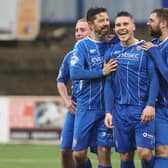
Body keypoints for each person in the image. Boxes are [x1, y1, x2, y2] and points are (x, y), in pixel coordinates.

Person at [104, 11, 159, 168]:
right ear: (115, 29)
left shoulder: (145, 49)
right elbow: (108, 84)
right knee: (125, 155)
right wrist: (108, 111)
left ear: (133, 26)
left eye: (125, 24)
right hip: (120, 111)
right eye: (118, 25)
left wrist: (150, 105)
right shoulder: (111, 52)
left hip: (142, 110)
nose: (122, 28)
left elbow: (154, 79)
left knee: (145, 152)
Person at [70, 7, 118, 168]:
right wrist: (102, 72)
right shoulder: (82, 46)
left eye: (107, 19)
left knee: (103, 153)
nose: (106, 23)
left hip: (107, 109)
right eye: (101, 20)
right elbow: (75, 72)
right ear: (91, 24)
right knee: (78, 154)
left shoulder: (114, 43)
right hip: (86, 107)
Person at [57, 18, 92, 168]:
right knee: (65, 150)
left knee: (100, 152)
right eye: (77, 30)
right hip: (76, 109)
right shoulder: (70, 56)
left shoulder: (101, 52)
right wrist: (66, 100)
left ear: (91, 30)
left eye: (82, 30)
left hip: (97, 108)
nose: (78, 33)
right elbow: (60, 81)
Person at [141, 8, 168, 168]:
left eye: (152, 20)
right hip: (160, 109)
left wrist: (154, 53)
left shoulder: (156, 48)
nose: (148, 23)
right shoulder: (156, 45)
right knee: (157, 151)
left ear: (163, 23)